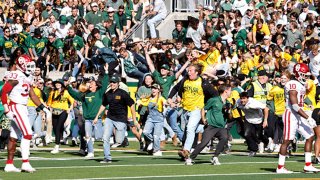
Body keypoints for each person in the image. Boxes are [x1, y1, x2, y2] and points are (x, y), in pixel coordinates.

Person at [1, 54, 50, 172]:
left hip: (21, 107)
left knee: (13, 137)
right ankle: (25, 163)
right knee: (27, 134)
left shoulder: (26, 77)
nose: (31, 68)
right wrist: (6, 108)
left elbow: (32, 95)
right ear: (21, 65)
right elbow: (3, 91)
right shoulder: (16, 76)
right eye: (28, 65)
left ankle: (9, 164)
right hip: (16, 107)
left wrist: (43, 108)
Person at [167, 63, 218, 159]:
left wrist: (208, 107)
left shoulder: (204, 83)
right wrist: (170, 98)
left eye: (190, 71)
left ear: (197, 72)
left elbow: (215, 95)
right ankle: (210, 130)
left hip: (197, 109)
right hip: (185, 109)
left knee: (190, 128)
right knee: (192, 129)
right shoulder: (185, 80)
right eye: (188, 70)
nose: (188, 72)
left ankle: (186, 150)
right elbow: (175, 88)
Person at [276, 63, 319, 173]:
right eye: (303, 74)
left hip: (299, 114)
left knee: (310, 136)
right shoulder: (292, 84)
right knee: (287, 140)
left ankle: (308, 165)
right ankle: (280, 167)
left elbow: (300, 101)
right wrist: (307, 117)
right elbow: (294, 105)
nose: (305, 77)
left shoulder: (300, 84)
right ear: (297, 73)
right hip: (291, 114)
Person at [93, 74, 139, 163]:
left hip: (121, 119)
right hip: (110, 118)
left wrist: (134, 119)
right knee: (105, 137)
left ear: (118, 83)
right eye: (111, 82)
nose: (112, 84)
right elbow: (103, 105)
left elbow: (132, 105)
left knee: (119, 140)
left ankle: (119, 140)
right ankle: (107, 157)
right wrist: (96, 116)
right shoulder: (107, 94)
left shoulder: (123, 93)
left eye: (114, 82)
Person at [67, 64, 109, 158]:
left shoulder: (99, 93)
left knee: (98, 136)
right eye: (90, 83)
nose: (90, 84)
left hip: (96, 119)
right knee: (87, 135)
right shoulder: (85, 94)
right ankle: (90, 152)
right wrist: (68, 87)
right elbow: (75, 95)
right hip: (87, 120)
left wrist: (106, 73)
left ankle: (107, 135)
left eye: (92, 84)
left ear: (96, 86)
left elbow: (105, 84)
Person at [185, 84, 231, 165]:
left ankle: (215, 157)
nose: (231, 92)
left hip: (221, 126)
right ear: (225, 91)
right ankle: (190, 158)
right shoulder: (214, 100)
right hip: (211, 126)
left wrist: (229, 110)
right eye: (230, 90)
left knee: (224, 138)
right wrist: (203, 118)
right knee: (204, 143)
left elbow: (230, 117)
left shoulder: (228, 102)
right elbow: (204, 108)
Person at [236, 91, 269, 156]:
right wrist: (241, 116)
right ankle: (253, 150)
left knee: (258, 135)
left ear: (248, 98)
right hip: (248, 119)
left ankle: (267, 142)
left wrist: (265, 120)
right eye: (241, 98)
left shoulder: (253, 103)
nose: (242, 100)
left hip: (258, 119)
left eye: (244, 98)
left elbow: (266, 109)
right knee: (246, 134)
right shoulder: (238, 102)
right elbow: (238, 108)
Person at [47, 79, 74, 154]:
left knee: (58, 127)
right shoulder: (52, 92)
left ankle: (56, 145)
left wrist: (69, 108)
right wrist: (49, 107)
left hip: (63, 111)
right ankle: (61, 136)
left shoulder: (66, 92)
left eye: (59, 83)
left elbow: (72, 101)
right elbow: (49, 102)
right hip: (54, 111)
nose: (57, 84)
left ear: (62, 84)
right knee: (55, 128)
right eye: (56, 83)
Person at [140, 83, 166, 156]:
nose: (153, 90)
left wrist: (168, 104)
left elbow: (165, 102)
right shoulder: (149, 98)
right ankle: (152, 142)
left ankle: (156, 150)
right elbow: (143, 102)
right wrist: (140, 100)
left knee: (156, 136)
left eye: (155, 88)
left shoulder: (161, 98)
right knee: (145, 132)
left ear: (158, 90)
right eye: (152, 88)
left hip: (159, 119)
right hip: (150, 118)